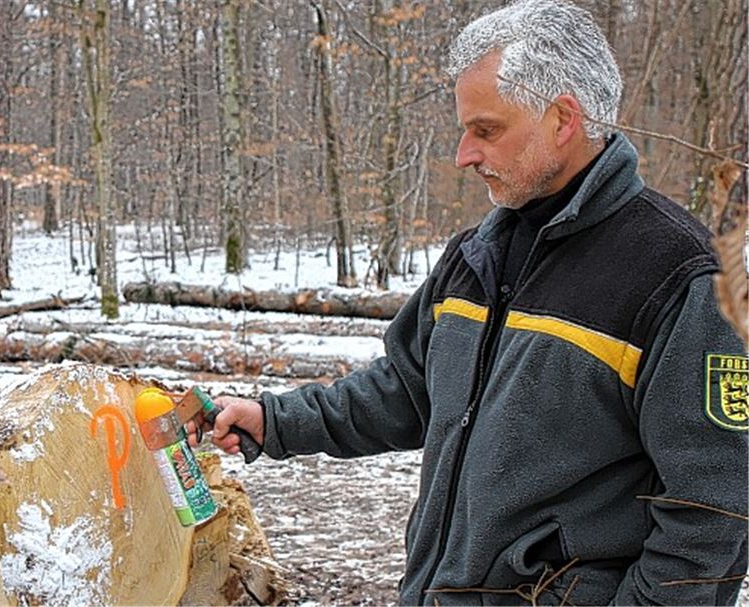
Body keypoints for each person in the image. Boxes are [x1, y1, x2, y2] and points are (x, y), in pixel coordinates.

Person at [192, 1, 749, 604]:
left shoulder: (679, 274)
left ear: (563, 118)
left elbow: (716, 506)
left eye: (486, 130)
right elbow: (409, 390)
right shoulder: (478, 253)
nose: (464, 154)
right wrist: (275, 420)